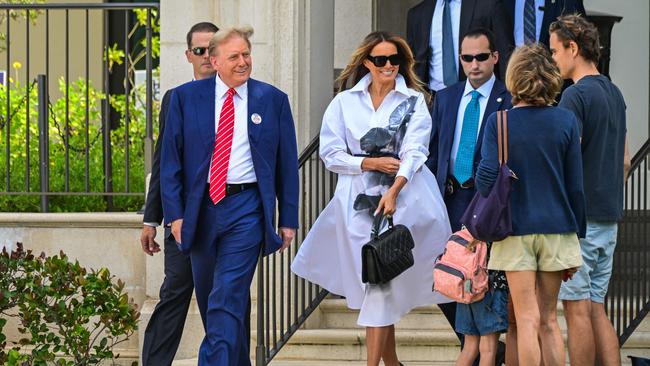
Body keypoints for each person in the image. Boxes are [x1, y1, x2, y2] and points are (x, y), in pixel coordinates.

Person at [291, 31, 451, 366]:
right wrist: (368, 162)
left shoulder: (413, 101)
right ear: (367, 62)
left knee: (379, 288)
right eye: (381, 60)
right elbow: (330, 153)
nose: (389, 65)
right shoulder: (344, 102)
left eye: (395, 59)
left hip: (403, 201)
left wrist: (394, 190)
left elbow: (415, 151)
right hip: (356, 204)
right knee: (375, 287)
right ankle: (391, 363)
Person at [161, 26, 299, 366]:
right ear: (215, 60)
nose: (243, 62)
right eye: (234, 56)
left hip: (247, 208)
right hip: (200, 210)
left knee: (227, 297)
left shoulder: (273, 100)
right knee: (214, 305)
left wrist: (289, 219)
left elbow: (286, 166)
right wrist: (175, 215)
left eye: (246, 54)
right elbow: (170, 163)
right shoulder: (184, 98)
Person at [475, 43, 585, 366]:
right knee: (550, 320)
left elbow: (484, 183)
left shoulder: (500, 122)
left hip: (514, 230)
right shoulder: (566, 122)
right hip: (558, 229)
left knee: (525, 318)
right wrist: (577, 237)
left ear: (513, 76)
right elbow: (575, 188)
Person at [426, 27, 511, 365]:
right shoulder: (446, 98)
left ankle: (480, 351)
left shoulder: (508, 97)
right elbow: (435, 152)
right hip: (448, 200)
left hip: (486, 203)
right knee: (445, 278)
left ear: (495, 57)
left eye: (480, 57)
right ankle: (473, 346)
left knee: (483, 283)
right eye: (466, 58)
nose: (473, 65)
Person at [139, 21, 221, 366]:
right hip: (182, 221)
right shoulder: (175, 98)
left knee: (221, 302)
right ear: (188, 55)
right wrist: (150, 219)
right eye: (198, 50)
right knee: (174, 293)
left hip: (225, 220)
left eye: (210, 49)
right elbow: (164, 162)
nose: (205, 56)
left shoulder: (242, 97)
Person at [551, 14, 627, 366]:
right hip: (609, 215)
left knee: (577, 311)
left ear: (573, 48)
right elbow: (625, 160)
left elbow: (567, 158)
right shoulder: (614, 92)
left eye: (555, 51)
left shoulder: (574, 97)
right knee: (596, 307)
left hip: (580, 221)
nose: (553, 59)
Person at [406, 0, 513, 96]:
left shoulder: (489, 5)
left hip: (482, 96)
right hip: (434, 100)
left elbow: (505, 54)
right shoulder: (417, 14)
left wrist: (508, 96)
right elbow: (413, 63)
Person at [505, 0, 586, 47]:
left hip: (553, 73)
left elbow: (583, 42)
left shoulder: (567, 2)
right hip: (511, 72)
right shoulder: (498, 3)